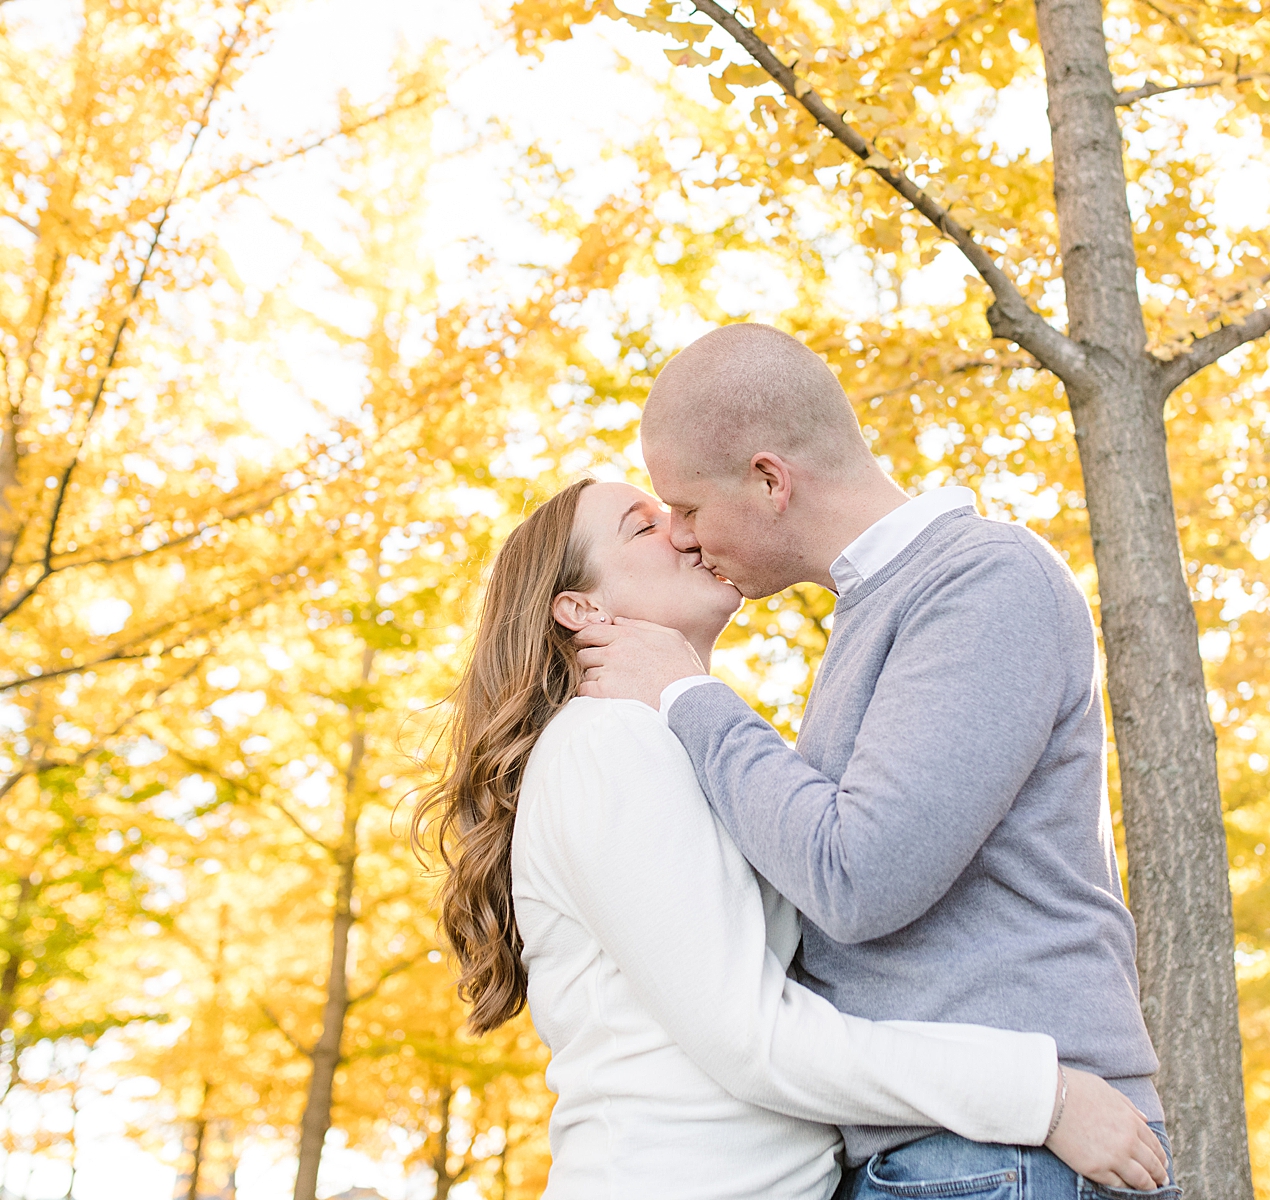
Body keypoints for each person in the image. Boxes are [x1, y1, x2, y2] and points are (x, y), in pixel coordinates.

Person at [416, 477, 1163, 1200]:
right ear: (580, 608)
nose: (682, 531)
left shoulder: (681, 743)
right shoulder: (605, 742)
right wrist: (1041, 1093)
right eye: (644, 526)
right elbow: (753, 1036)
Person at [575, 323, 1177, 1198]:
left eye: (689, 508)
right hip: (955, 1148)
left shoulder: (981, 580)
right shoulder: (876, 612)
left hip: (1007, 1154)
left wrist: (688, 695)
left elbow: (860, 877)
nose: (682, 536)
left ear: (770, 479)